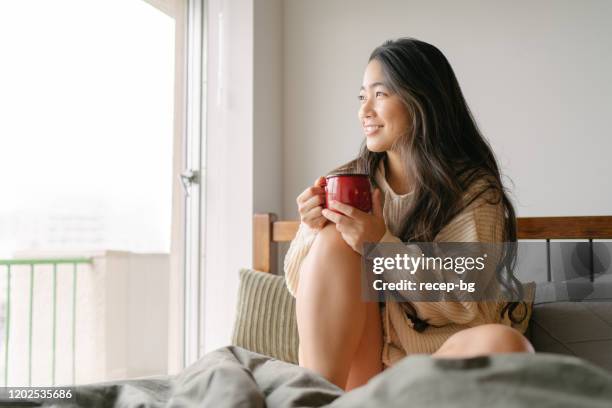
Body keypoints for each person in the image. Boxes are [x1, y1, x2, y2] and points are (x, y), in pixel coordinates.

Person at [284, 38, 534, 391]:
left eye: (380, 95)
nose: (364, 111)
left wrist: (381, 246)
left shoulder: (475, 191)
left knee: (505, 344)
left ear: (423, 101)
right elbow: (301, 286)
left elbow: (462, 301)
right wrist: (311, 228)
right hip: (364, 373)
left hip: (436, 371)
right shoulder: (350, 182)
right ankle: (316, 398)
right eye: (361, 97)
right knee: (333, 239)